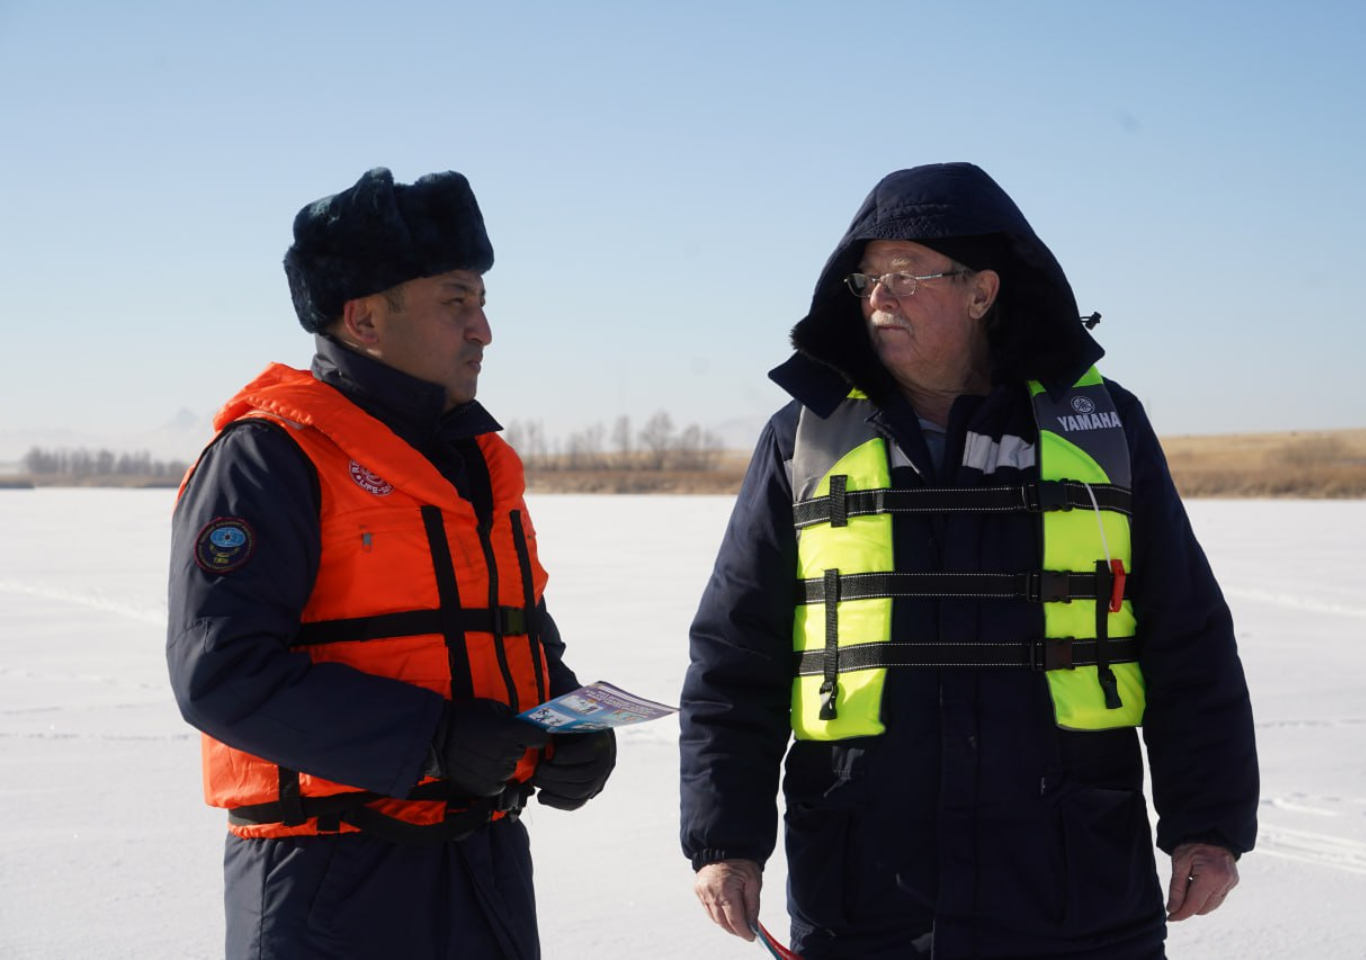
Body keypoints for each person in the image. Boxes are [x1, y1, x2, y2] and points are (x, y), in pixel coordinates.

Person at [679, 162, 1258, 959]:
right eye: (869, 276)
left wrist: (1208, 824)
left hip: (1073, 880)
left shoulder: (1103, 427)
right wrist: (724, 838)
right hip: (868, 891)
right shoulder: (804, 436)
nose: (880, 295)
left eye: (908, 274)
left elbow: (1187, 636)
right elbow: (734, 652)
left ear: (982, 292)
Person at [167, 167, 617, 960]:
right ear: (366, 318)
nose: (483, 331)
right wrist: (432, 741)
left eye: (482, 304)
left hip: (485, 864)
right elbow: (221, 675)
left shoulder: (479, 463)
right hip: (331, 879)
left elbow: (511, 632)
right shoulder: (269, 458)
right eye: (457, 302)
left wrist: (564, 726)